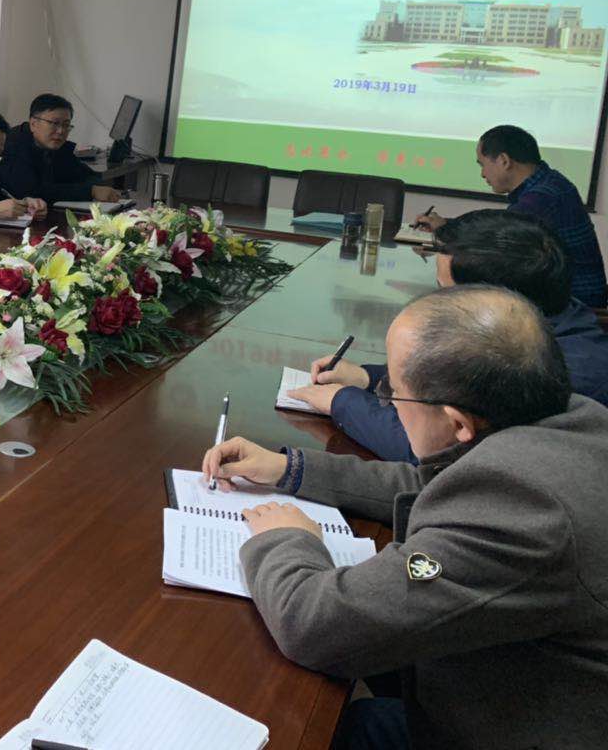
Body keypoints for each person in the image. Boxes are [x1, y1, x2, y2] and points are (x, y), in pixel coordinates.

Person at [204, 285, 608, 750]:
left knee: (319, 727)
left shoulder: (523, 516)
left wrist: (286, 538)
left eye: (393, 392)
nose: (388, 401)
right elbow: (440, 485)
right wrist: (291, 468)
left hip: (503, 727)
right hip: (501, 685)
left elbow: (313, 626)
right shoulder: (571, 418)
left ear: (457, 423)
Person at [291, 210, 608, 463]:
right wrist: (368, 378)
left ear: (495, 300)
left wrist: (341, 401)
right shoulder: (547, 320)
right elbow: (454, 386)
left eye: (445, 291)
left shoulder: (555, 374)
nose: (438, 302)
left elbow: (433, 450)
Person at [415, 124, 606, 307]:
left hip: (576, 303)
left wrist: (446, 230)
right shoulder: (549, 182)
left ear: (504, 161)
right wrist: (446, 225)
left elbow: (495, 242)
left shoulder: (541, 198)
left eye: (482, 164)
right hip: (571, 295)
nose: (482, 174)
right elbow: (498, 228)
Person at [0, 93, 121, 205]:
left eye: (66, 125)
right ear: (33, 124)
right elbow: (33, 192)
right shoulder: (13, 146)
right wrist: (91, 191)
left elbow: (83, 174)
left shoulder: (56, 144)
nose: (61, 131)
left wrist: (99, 187)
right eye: (54, 124)